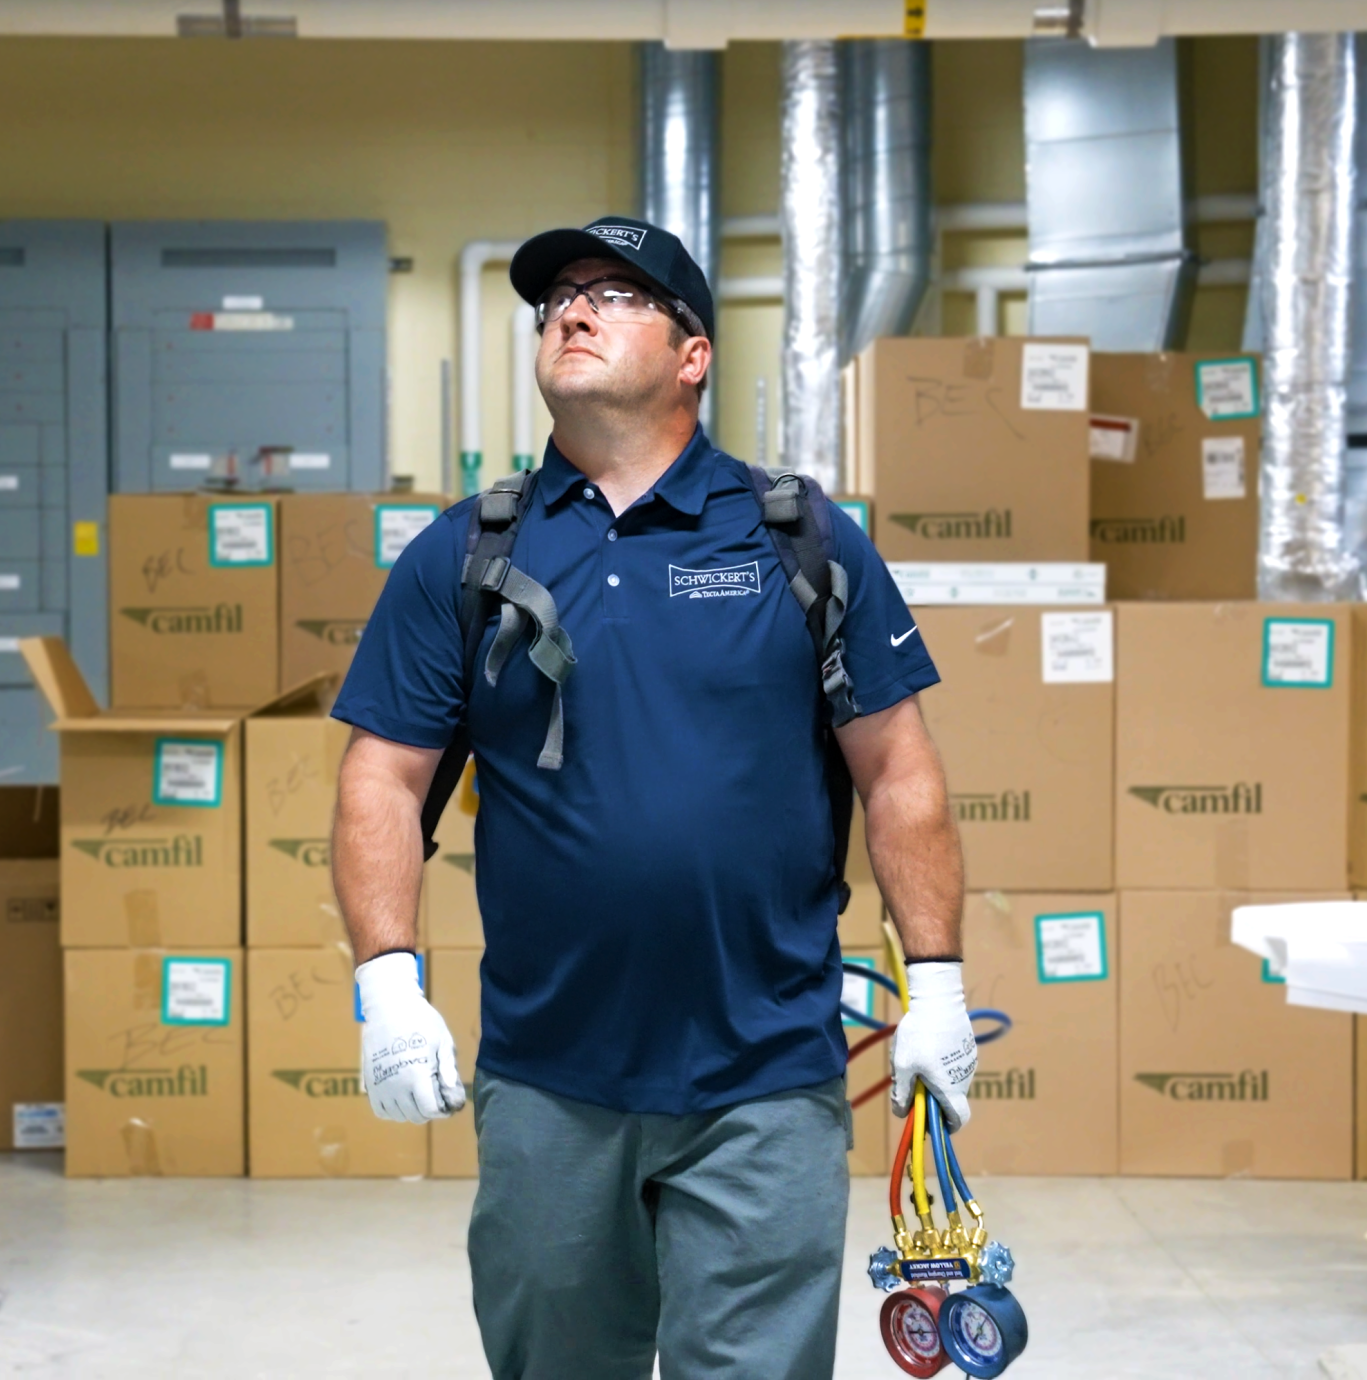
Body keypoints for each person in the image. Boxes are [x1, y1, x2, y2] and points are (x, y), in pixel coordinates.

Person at [328, 216, 974, 1379]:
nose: (570, 310)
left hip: (764, 1076)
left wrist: (936, 982)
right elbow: (383, 772)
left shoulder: (801, 540)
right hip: (548, 1079)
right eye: (555, 298)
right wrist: (386, 982)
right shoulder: (466, 556)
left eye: (613, 294)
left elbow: (898, 768)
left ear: (692, 356)